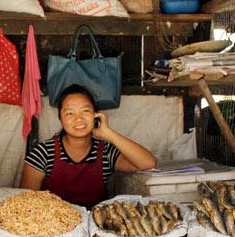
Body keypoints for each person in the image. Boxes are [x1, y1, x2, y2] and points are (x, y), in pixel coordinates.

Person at [19, 85, 157, 208]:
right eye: (70, 113)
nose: (78, 118)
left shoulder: (105, 152)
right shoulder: (43, 153)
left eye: (85, 111)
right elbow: (26, 203)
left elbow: (147, 163)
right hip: (53, 229)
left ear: (96, 114)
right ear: (61, 119)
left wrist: (108, 133)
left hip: (96, 228)